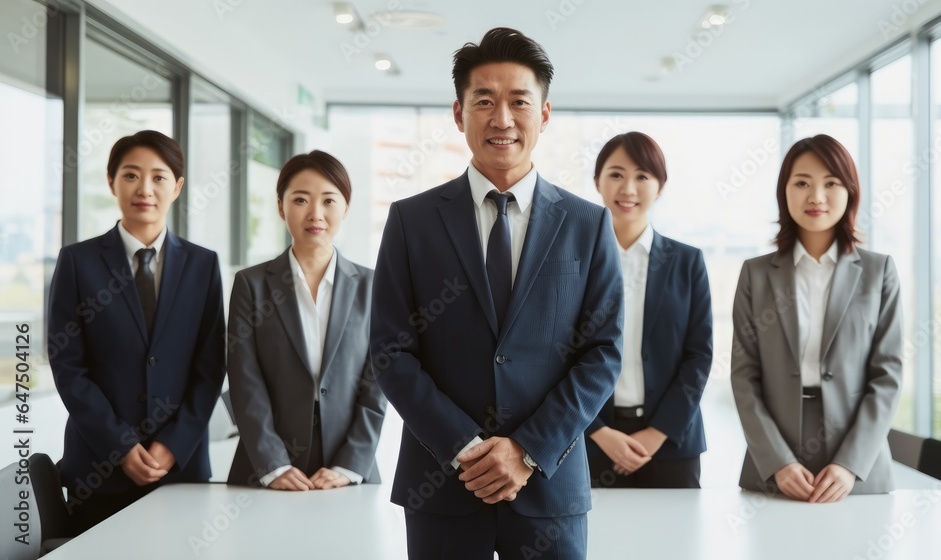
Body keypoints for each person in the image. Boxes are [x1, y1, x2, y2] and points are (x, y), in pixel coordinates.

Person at [370, 27, 623, 560]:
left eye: (518, 102)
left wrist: (528, 449)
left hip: (550, 489)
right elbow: (391, 351)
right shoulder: (411, 221)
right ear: (459, 114)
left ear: (545, 114)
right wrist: (464, 448)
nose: (501, 118)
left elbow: (602, 353)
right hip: (443, 486)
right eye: (484, 101)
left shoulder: (588, 225)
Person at [47, 130, 226, 533]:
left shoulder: (203, 265)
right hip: (97, 470)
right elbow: (67, 366)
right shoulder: (78, 261)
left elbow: (211, 367)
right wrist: (120, 446)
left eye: (159, 177)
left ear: (177, 187)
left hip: (180, 470)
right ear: (111, 181)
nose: (145, 188)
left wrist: (173, 444)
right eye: (131, 175)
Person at [731, 134, 903, 503]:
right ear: (785, 192)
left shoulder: (878, 271)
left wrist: (849, 464)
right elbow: (744, 377)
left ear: (850, 192)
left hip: (858, 469)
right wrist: (778, 462)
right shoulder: (756, 274)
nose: (816, 196)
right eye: (802, 183)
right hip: (776, 466)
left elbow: (887, 377)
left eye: (831, 183)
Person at [227, 150, 386, 490]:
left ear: (345, 207)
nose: (316, 213)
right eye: (300, 199)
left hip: (349, 469)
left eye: (329, 200)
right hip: (265, 468)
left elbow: (378, 383)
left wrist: (350, 465)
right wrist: (273, 465)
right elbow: (244, 380)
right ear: (280, 206)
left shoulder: (373, 286)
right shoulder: (250, 285)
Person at [585, 132, 713, 488]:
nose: (628, 188)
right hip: (588, 443)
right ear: (598, 182)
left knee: (675, 543)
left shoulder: (687, 262)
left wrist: (656, 434)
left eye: (642, 176)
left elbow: (699, 356)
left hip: (672, 443)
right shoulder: (573, 261)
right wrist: (598, 432)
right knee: (594, 544)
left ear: (660, 186)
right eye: (616, 174)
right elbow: (554, 356)